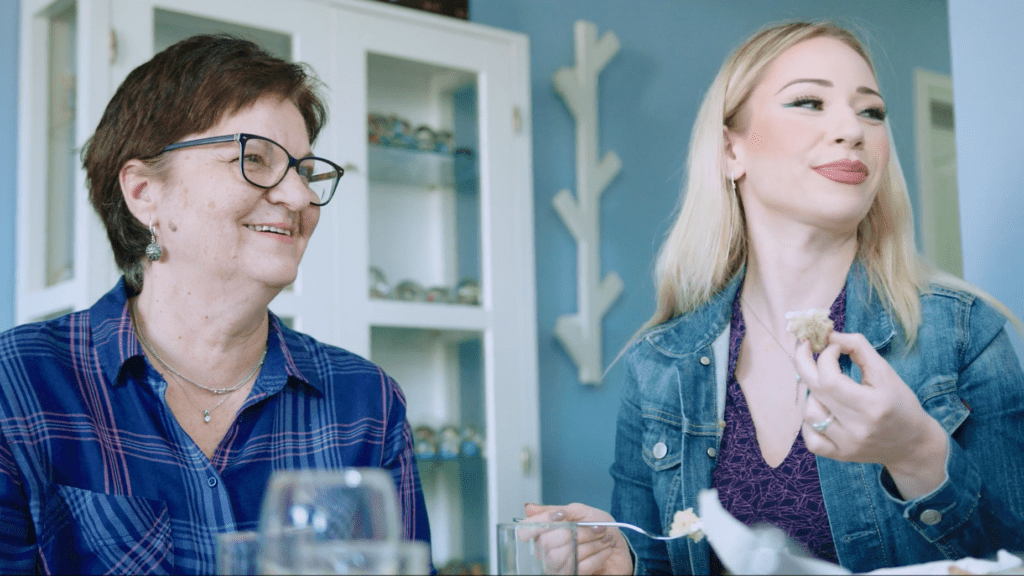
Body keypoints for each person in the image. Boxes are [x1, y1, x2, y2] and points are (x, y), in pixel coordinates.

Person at [524, 21, 1024, 574]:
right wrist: (627, 563)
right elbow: (662, 561)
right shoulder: (659, 366)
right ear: (731, 150)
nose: (851, 130)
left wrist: (917, 454)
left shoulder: (965, 336)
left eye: (871, 111)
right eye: (809, 102)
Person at [0, 35, 431, 574]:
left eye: (304, 171)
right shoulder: (19, 384)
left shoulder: (366, 403)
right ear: (143, 193)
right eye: (254, 159)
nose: (300, 196)